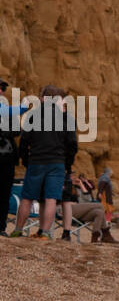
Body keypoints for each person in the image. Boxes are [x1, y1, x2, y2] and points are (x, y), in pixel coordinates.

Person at [9, 85, 78, 241]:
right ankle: (45, 233)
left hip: (36, 161)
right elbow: (72, 145)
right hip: (57, 163)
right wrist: (67, 164)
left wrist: (26, 160)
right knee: (51, 198)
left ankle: (18, 230)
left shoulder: (33, 115)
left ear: (43, 98)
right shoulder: (67, 118)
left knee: (27, 197)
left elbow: (24, 141)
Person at [0, 79, 29, 236]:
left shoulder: (7, 111)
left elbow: (17, 130)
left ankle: (1, 227)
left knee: (4, 193)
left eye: (3, 88)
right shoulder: (8, 111)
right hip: (7, 155)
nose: (2, 91)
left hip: (6, 158)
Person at [61, 172, 119, 243]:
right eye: (71, 176)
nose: (73, 177)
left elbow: (88, 199)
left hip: (79, 211)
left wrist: (81, 185)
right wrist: (68, 203)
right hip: (67, 210)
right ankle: (105, 234)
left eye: (73, 176)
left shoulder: (75, 188)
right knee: (100, 205)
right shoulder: (61, 185)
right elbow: (57, 200)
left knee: (99, 212)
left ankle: (94, 238)